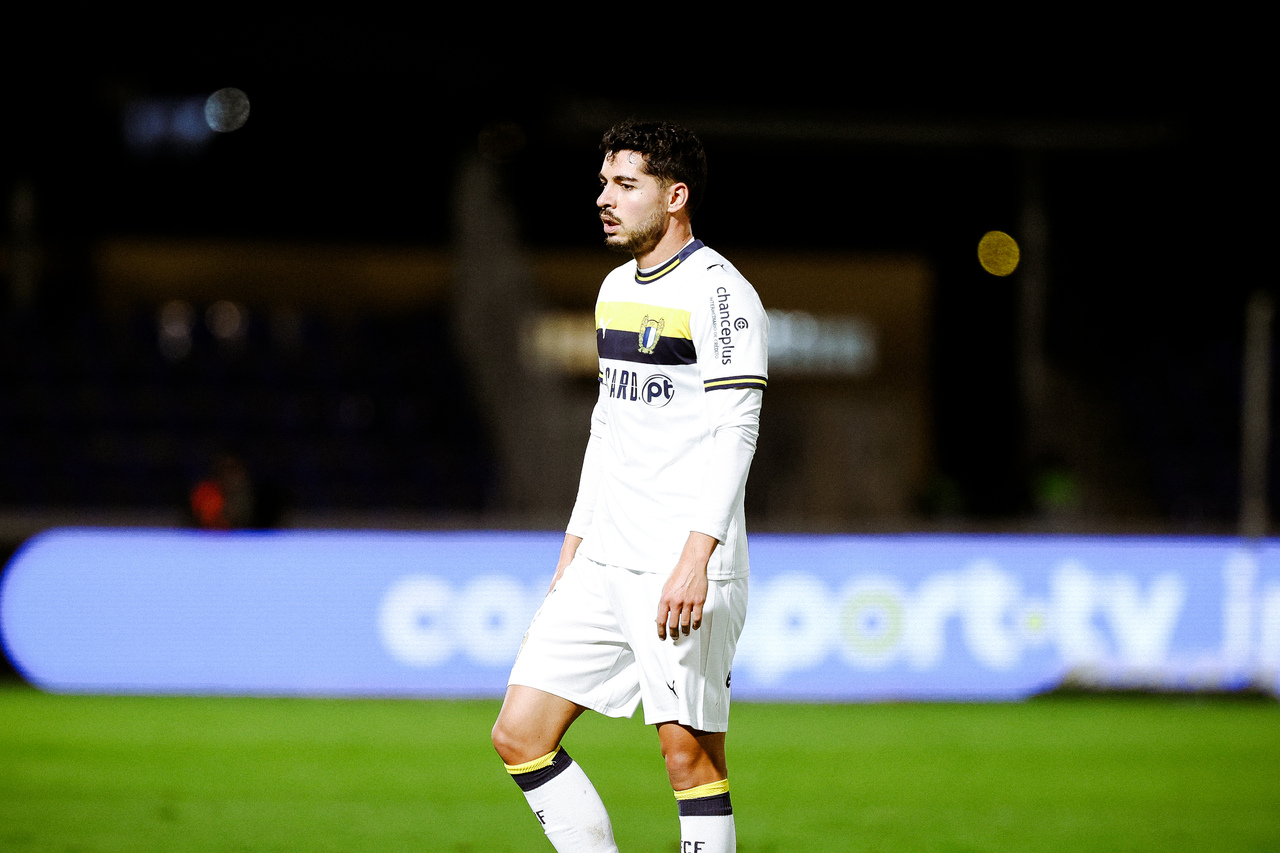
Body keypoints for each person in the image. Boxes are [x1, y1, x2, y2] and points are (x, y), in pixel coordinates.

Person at [491, 120, 768, 852]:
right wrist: (573, 546)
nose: (603, 198)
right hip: (605, 558)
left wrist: (696, 558)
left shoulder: (721, 294)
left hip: (678, 562)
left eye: (625, 184)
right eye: (603, 183)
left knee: (688, 757)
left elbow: (737, 430)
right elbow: (607, 428)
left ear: (675, 196)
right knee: (519, 732)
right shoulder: (615, 289)